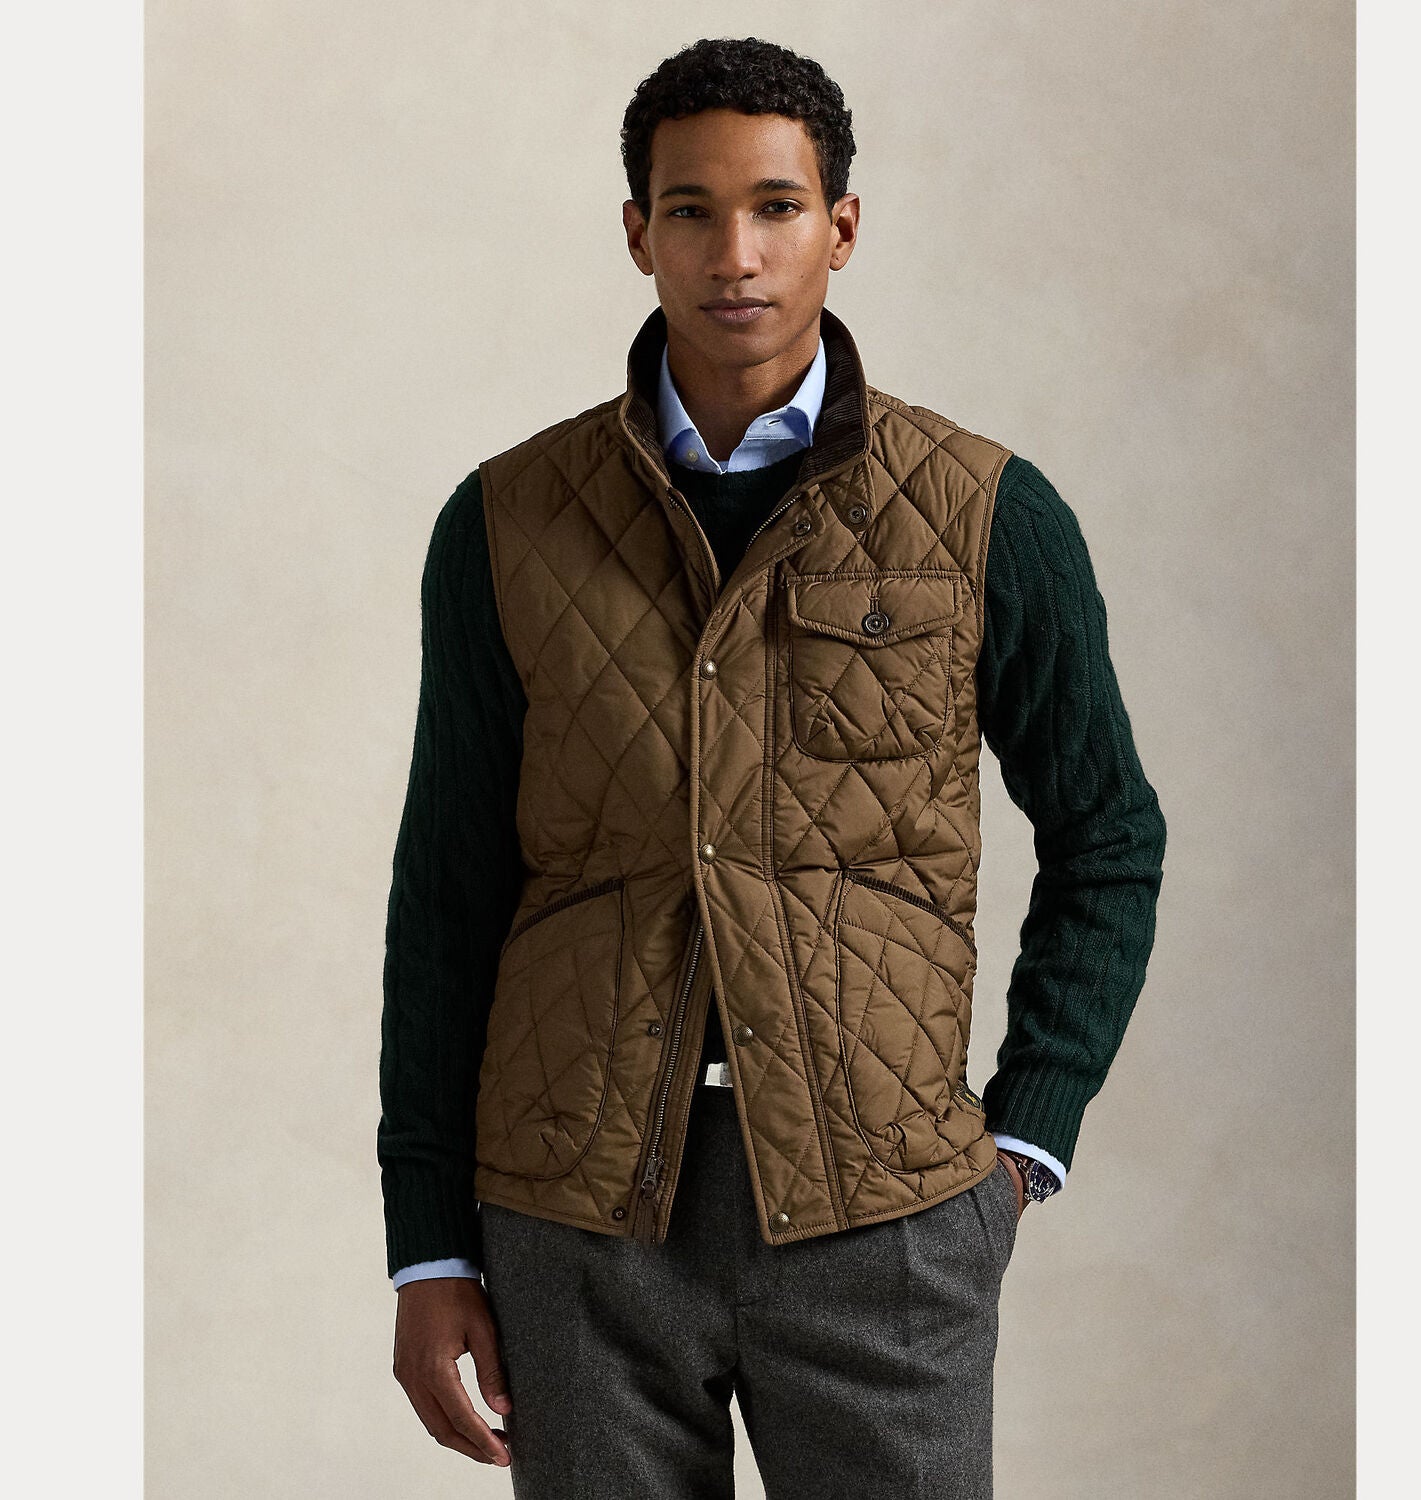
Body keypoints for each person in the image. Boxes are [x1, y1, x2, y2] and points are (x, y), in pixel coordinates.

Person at [378, 35, 1167, 1499]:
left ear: (841, 228)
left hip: (885, 1218)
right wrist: (427, 1245)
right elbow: (447, 891)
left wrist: (1026, 1138)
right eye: (690, 210)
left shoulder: (988, 514)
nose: (733, 254)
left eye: (777, 207)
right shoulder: (505, 521)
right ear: (637, 233)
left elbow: (1108, 832)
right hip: (576, 1219)